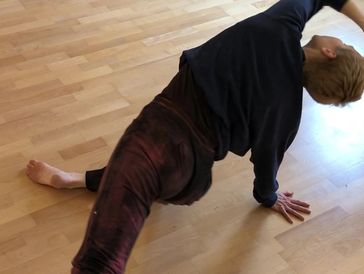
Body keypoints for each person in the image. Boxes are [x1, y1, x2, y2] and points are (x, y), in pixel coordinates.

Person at [25, 0, 364, 273]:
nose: (339, 39)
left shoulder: (278, 26)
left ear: (331, 52)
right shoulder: (287, 113)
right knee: (138, 185)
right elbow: (266, 163)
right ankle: (77, 180)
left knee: (100, 259)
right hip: (189, 174)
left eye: (345, 43)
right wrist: (270, 196)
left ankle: (74, 183)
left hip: (161, 139)